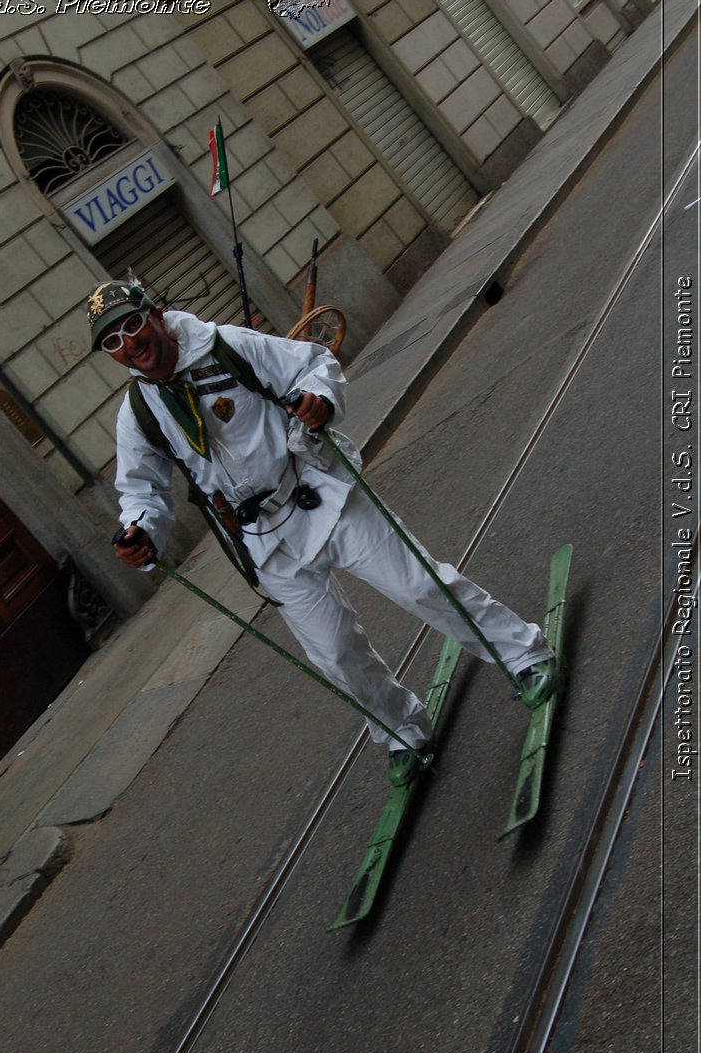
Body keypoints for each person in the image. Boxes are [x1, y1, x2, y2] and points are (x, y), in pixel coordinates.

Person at [87, 280, 555, 784]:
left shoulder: (228, 345)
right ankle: (401, 729)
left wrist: (318, 401)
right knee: (333, 653)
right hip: (264, 539)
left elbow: (314, 364)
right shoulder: (137, 414)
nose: (129, 343)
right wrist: (138, 531)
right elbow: (142, 490)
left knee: (419, 584)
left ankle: (523, 654)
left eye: (133, 324)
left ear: (156, 314)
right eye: (112, 340)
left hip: (320, 494)